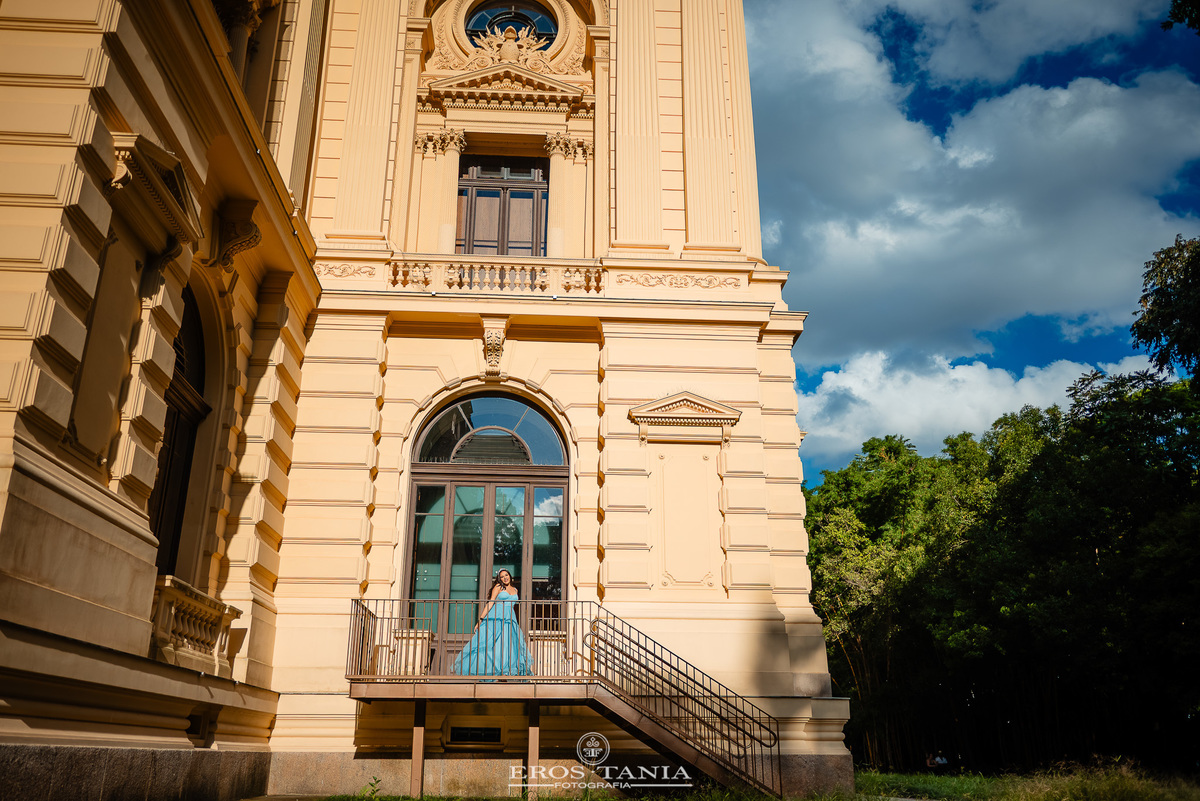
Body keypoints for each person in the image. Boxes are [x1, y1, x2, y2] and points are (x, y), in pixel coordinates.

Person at [451, 570, 533, 677]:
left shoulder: (515, 590)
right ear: (500, 579)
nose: (505, 578)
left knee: (507, 645)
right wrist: (480, 620)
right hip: (496, 618)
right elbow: (491, 603)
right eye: (502, 576)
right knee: (489, 644)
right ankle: (492, 672)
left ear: (510, 576)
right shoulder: (498, 587)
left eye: (506, 575)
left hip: (509, 620)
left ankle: (505, 672)